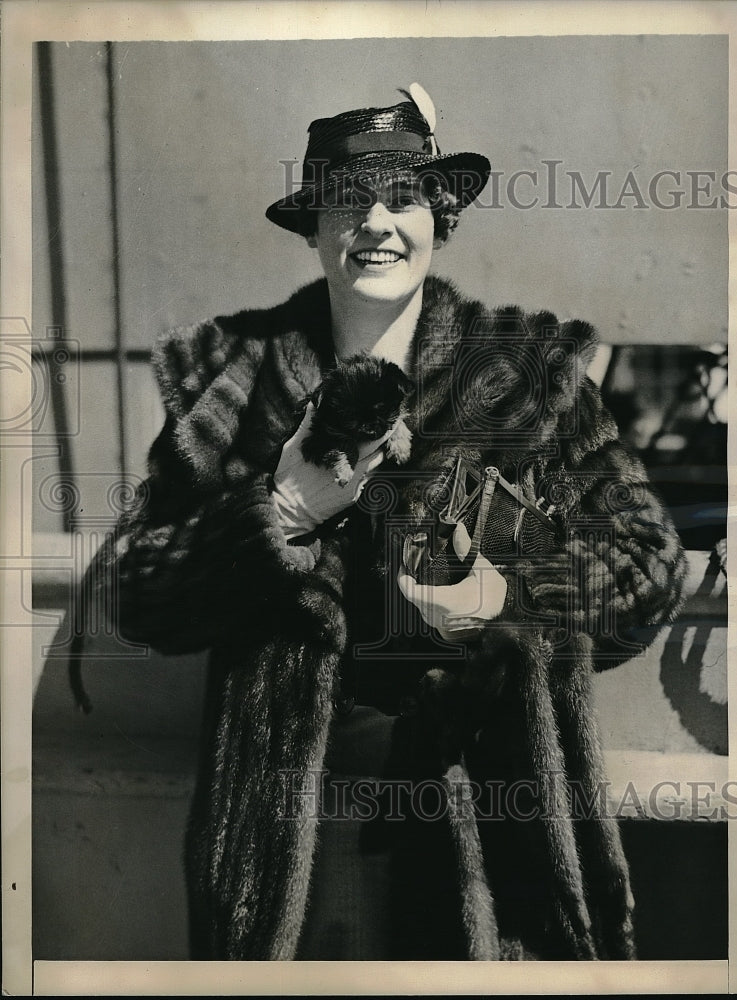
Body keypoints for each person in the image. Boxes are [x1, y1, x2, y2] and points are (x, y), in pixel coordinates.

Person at [107, 85, 687, 961]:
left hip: (500, 823)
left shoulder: (526, 373)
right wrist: (282, 511)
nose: (374, 222)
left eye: (402, 198)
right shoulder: (238, 376)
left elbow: (648, 559)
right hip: (294, 841)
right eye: (347, 200)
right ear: (313, 227)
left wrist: (512, 596)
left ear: (440, 217)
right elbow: (134, 584)